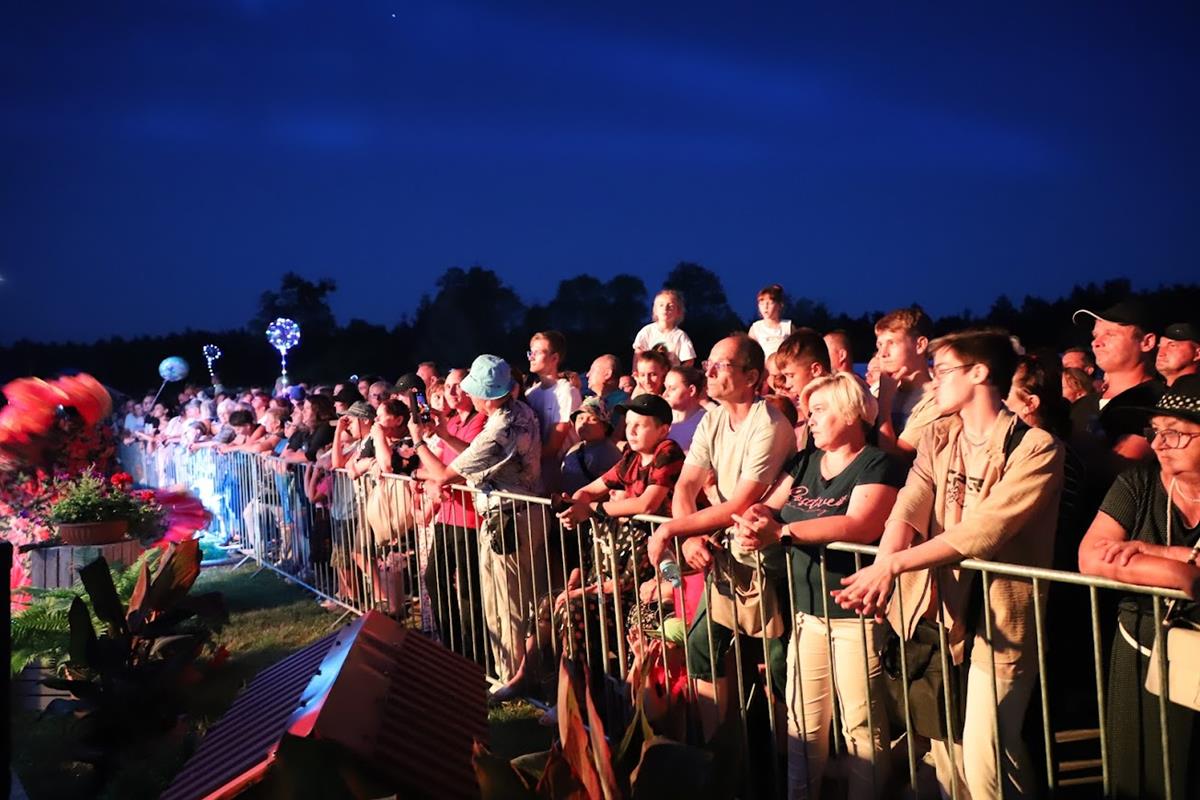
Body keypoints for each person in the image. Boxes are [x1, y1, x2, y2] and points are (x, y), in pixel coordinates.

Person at [834, 329, 1065, 800]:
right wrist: (882, 571)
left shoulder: (1037, 447)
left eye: (942, 371)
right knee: (948, 758)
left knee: (985, 757)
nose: (934, 382)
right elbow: (910, 505)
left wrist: (890, 568)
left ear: (979, 373)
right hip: (940, 616)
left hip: (1000, 622)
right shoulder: (940, 434)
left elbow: (983, 532)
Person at [732, 372, 900, 800]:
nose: (810, 420)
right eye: (809, 411)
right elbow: (769, 507)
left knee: (861, 727)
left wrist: (782, 534)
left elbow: (861, 525)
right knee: (802, 725)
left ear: (851, 413)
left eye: (821, 410)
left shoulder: (877, 464)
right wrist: (754, 522)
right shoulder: (805, 461)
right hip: (807, 615)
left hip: (855, 617)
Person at [647, 333, 797, 738]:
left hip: (769, 559)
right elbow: (685, 486)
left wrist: (672, 529)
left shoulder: (769, 424)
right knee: (701, 645)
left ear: (751, 376)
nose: (709, 371)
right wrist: (690, 539)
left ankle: (784, 757)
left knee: (778, 663)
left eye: (721, 364)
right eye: (708, 363)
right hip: (728, 555)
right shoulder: (712, 419)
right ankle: (717, 749)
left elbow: (744, 501)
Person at [1078, 375, 1200, 800]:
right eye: (1156, 431)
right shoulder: (1138, 483)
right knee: (1137, 769)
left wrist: (1150, 552)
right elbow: (1091, 556)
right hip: (1140, 646)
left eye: (1176, 433)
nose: (1160, 443)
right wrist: (1183, 572)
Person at [408, 354, 544, 682]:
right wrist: (444, 435)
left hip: (507, 523)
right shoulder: (520, 410)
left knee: (505, 605)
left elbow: (443, 475)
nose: (467, 395)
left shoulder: (498, 428)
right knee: (514, 602)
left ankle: (509, 678)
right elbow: (474, 454)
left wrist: (418, 440)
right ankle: (515, 673)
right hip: (521, 516)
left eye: (472, 390)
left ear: (487, 396)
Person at [1071, 300, 1163, 482]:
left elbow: (1117, 471)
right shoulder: (1081, 405)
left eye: (1110, 334)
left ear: (1147, 342)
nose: (1096, 343)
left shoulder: (1159, 403)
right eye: (1095, 335)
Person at [873, 306, 939, 457]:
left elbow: (894, 459)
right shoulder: (878, 390)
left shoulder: (935, 401)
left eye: (892, 343)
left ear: (920, 345)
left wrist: (884, 404)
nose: (882, 354)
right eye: (880, 345)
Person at [526, 330, 582, 492]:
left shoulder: (567, 392)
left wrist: (523, 462)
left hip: (563, 476)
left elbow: (553, 447)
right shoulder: (531, 394)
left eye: (537, 352)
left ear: (555, 358)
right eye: (530, 352)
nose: (531, 357)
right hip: (537, 475)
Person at [558, 397, 621, 495]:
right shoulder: (574, 448)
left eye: (592, 419)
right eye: (580, 418)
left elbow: (610, 491)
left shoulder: (609, 454)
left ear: (605, 426)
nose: (584, 423)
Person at [633, 288, 696, 367]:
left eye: (671, 306)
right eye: (661, 305)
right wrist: (635, 371)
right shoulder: (647, 331)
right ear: (655, 310)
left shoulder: (680, 336)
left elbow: (689, 361)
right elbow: (638, 354)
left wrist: (677, 373)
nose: (665, 309)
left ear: (678, 312)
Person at [663, 365, 706, 452]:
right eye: (665, 388)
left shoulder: (705, 422)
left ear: (691, 390)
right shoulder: (662, 417)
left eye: (673, 389)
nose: (665, 394)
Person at [748, 283, 793, 358]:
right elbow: (750, 353)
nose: (765, 307)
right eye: (762, 303)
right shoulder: (755, 328)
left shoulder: (788, 326)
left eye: (770, 303)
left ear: (780, 305)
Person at [1156, 321, 1200, 387]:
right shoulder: (1151, 391)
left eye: (1172, 345)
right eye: (1159, 347)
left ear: (1197, 354)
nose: (1160, 354)